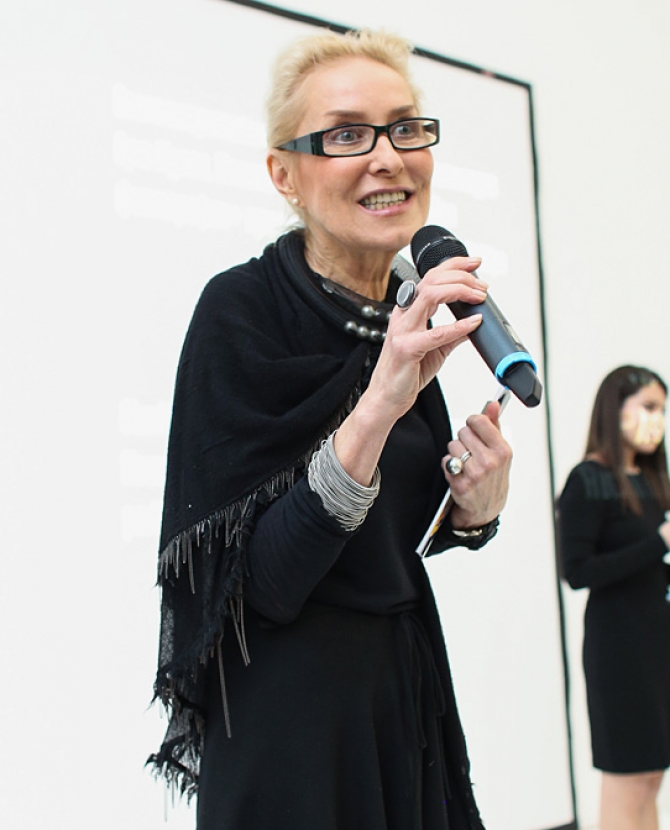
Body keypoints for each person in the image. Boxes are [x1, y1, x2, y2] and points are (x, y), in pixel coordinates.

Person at [149, 28, 513, 830]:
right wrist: (378, 404)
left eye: (405, 128)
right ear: (284, 174)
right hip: (290, 733)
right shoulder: (240, 312)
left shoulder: (402, 309)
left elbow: (389, 541)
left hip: (403, 706)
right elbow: (266, 588)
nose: (388, 157)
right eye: (347, 135)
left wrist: (473, 511)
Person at [557, 365, 670, 830]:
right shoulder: (587, 480)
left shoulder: (651, 479)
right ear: (615, 408)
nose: (658, 419)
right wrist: (658, 542)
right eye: (649, 407)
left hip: (657, 643)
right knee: (627, 777)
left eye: (663, 409)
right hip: (619, 650)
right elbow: (578, 572)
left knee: (651, 777)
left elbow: (649, 567)